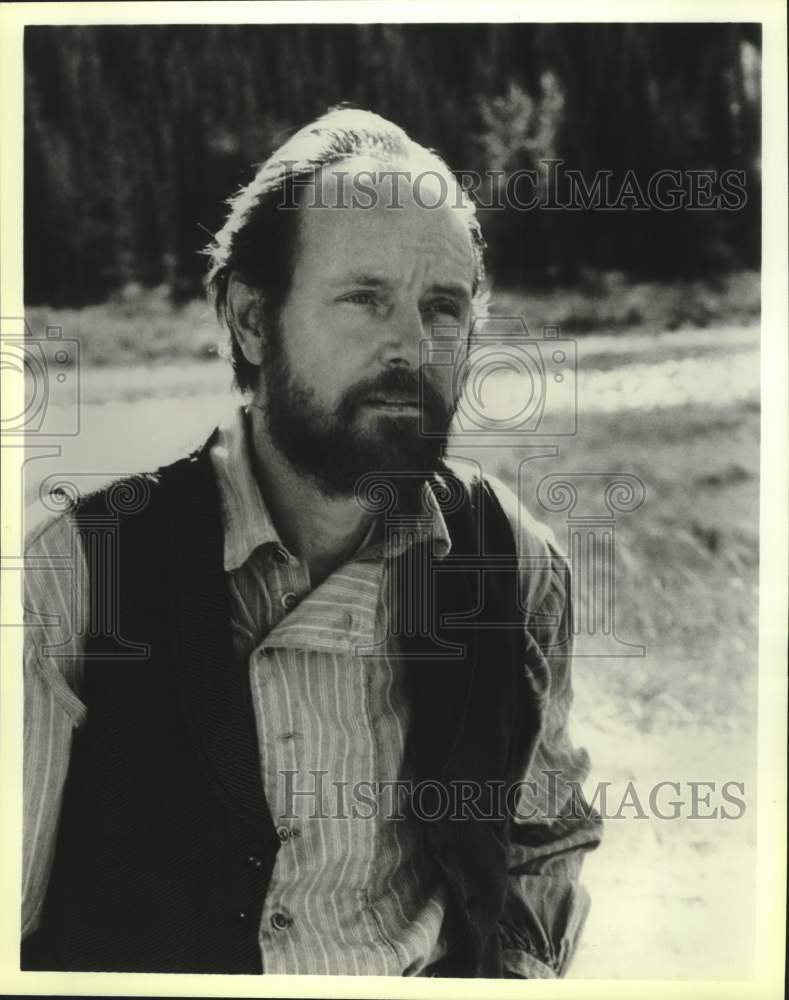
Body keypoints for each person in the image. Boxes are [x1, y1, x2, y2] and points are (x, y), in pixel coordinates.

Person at [21, 106, 601, 977]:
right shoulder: (78, 573)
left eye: (441, 306)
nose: (411, 344)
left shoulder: (511, 564)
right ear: (252, 319)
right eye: (364, 298)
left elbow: (543, 841)